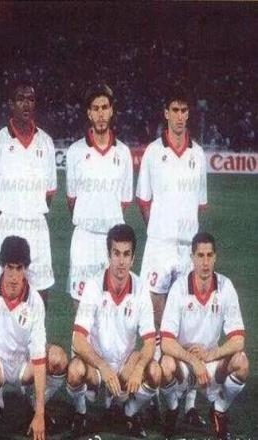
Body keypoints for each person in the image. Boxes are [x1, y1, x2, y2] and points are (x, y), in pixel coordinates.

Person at [136, 86, 207, 423]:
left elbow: (200, 205)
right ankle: (155, 395)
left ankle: (189, 403)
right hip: (160, 246)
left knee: (189, 323)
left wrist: (185, 236)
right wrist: (162, 229)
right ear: (165, 113)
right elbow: (143, 201)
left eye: (184, 110)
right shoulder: (153, 153)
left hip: (187, 249)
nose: (179, 116)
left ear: (189, 114)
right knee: (155, 321)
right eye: (174, 110)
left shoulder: (199, 154)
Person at [67, 224, 160, 438]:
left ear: (133, 258)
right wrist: (103, 366)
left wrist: (138, 368)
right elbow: (78, 340)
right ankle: (81, 413)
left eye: (126, 254)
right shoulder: (93, 286)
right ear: (109, 255)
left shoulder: (141, 288)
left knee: (155, 371)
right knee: (74, 371)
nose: (121, 261)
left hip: (124, 363)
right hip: (96, 364)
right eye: (116, 253)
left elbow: (149, 341)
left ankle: (129, 413)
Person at [0, 236, 68, 440]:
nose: (14, 276)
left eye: (19, 268)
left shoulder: (35, 302)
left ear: (26, 269)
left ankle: (36, 403)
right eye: (10, 267)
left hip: (23, 364)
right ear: (1, 266)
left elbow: (39, 358)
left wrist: (40, 414)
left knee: (58, 359)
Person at [160, 232, 248, 439]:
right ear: (192, 258)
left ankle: (219, 410)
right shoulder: (179, 288)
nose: (205, 262)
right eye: (200, 255)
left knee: (242, 363)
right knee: (165, 365)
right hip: (184, 362)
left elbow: (238, 339)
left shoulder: (226, 287)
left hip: (211, 362)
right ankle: (173, 409)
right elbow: (166, 342)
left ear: (215, 257)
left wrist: (210, 355)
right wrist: (193, 360)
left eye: (209, 255)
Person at [0, 83, 57, 305]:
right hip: (8, 224)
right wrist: (8, 218)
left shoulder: (46, 142)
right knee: (2, 290)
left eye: (30, 99)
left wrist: (32, 210)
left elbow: (49, 193)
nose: (26, 104)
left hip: (36, 225)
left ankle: (38, 329)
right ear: (11, 104)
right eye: (20, 99)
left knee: (40, 287)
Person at [66, 84, 133, 310]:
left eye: (105, 107)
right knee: (80, 302)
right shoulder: (75, 151)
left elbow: (124, 201)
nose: (101, 113)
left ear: (111, 110)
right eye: (95, 108)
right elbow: (71, 199)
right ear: (89, 113)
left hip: (112, 241)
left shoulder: (123, 153)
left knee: (111, 304)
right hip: (84, 238)